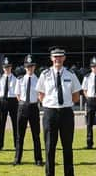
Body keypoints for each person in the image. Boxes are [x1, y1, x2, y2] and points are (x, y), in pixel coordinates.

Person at [36, 46, 82, 176]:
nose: (58, 59)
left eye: (60, 56)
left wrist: (65, 104)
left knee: (67, 147)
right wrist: (52, 103)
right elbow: (41, 94)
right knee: (50, 147)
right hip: (50, 113)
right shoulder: (44, 75)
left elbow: (76, 95)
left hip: (66, 113)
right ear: (51, 58)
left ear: (64, 58)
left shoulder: (71, 74)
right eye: (55, 57)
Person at [14, 54, 44, 166]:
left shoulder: (39, 80)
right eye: (27, 66)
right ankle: (17, 158)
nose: (29, 68)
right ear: (25, 67)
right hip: (22, 106)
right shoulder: (20, 79)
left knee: (36, 135)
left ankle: (38, 159)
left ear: (34, 67)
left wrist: (33, 102)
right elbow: (17, 94)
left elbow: (41, 94)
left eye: (31, 66)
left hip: (33, 107)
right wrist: (23, 104)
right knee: (19, 135)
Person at [0, 56, 18, 151]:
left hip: (13, 101)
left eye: (8, 67)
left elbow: (17, 91)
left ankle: (17, 145)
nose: (7, 69)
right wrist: (1, 99)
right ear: (3, 68)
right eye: (5, 67)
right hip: (3, 101)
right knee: (1, 124)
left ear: (11, 67)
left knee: (15, 124)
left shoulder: (16, 79)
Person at [81, 56, 96, 149]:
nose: (95, 68)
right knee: (89, 123)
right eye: (93, 66)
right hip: (90, 100)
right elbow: (84, 90)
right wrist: (88, 99)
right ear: (91, 67)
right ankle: (89, 142)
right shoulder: (87, 77)